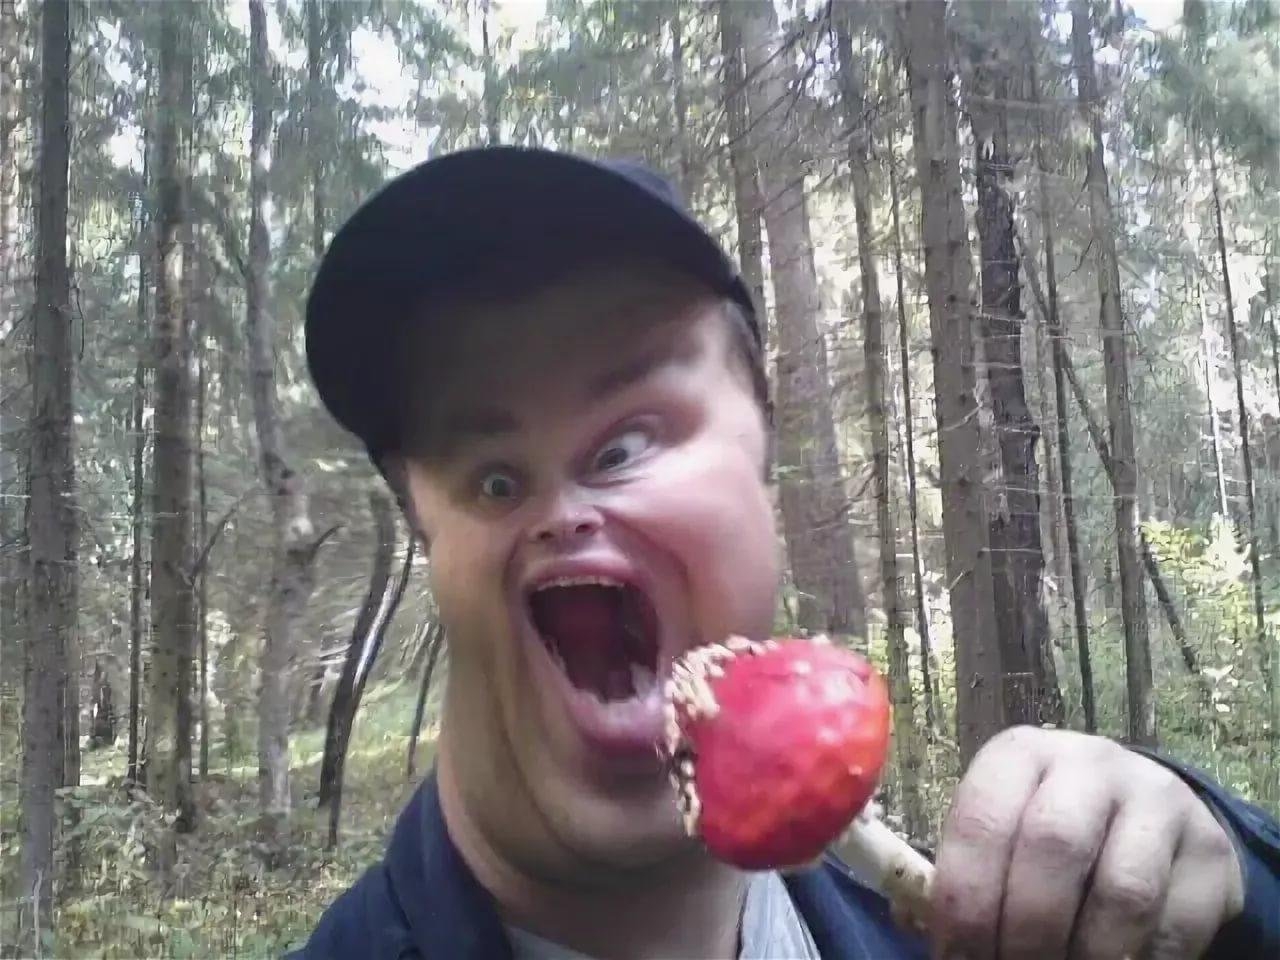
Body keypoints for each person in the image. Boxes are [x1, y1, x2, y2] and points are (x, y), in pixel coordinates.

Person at [293, 146, 1279, 960]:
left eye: (625, 445)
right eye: (493, 482)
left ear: (763, 440)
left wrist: (1236, 894)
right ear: (426, 534)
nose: (560, 512)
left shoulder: (925, 928)